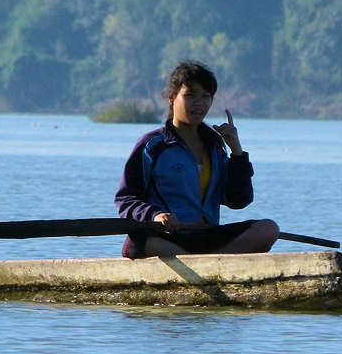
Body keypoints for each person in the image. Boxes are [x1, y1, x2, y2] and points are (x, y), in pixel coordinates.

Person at [114, 61, 278, 259]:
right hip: (166, 237)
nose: (199, 104)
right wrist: (155, 215)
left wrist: (236, 152)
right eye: (190, 96)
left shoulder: (216, 147)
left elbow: (238, 200)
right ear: (172, 98)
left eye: (205, 96)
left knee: (268, 229)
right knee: (140, 242)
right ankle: (208, 265)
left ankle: (208, 266)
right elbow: (126, 199)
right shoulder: (153, 145)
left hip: (205, 236)